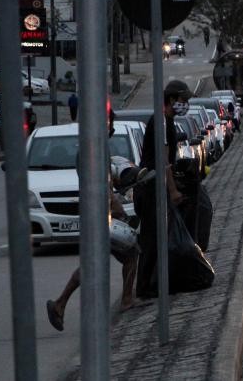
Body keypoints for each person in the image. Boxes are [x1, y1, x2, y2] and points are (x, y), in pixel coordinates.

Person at [45, 110, 141, 331]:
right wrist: (121, 213)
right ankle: (126, 300)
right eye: (109, 124)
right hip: (99, 216)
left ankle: (60, 305)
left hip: (94, 214)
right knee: (131, 253)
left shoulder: (91, 149)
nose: (111, 129)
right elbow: (103, 187)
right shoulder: (96, 150)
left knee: (91, 265)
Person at [136, 80, 189, 299]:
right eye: (183, 101)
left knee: (157, 237)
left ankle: (151, 283)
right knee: (151, 238)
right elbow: (164, 159)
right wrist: (173, 190)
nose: (185, 105)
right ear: (171, 100)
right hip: (150, 189)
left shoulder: (166, 121)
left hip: (155, 187)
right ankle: (144, 287)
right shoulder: (162, 122)